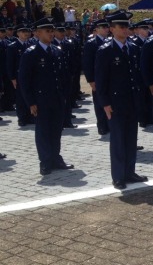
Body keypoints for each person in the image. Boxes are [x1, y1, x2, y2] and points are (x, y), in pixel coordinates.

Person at [95, 10, 147, 190]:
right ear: (112, 29)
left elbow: (136, 76)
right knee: (118, 140)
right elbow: (101, 80)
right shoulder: (105, 50)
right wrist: (105, 104)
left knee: (131, 139)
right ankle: (118, 176)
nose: (126, 30)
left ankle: (130, 172)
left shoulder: (132, 48)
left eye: (127, 27)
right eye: (122, 26)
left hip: (131, 101)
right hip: (115, 103)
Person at [19, 17, 74, 176]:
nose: (51, 34)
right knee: (43, 131)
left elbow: (63, 75)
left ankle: (56, 158)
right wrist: (31, 102)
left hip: (57, 98)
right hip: (41, 100)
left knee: (56, 130)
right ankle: (45, 161)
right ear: (37, 33)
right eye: (47, 31)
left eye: (52, 31)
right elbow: (25, 80)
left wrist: (65, 96)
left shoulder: (57, 50)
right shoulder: (31, 53)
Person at [83, 19, 111, 135]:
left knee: (109, 102)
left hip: (109, 78)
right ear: (97, 29)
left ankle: (110, 124)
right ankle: (102, 126)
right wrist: (90, 80)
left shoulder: (110, 42)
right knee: (99, 103)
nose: (105, 29)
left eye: (106, 27)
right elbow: (87, 63)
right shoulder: (91, 43)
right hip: (97, 78)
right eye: (102, 27)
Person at [7, 23, 33, 126]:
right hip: (18, 76)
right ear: (18, 33)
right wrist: (12, 78)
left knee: (29, 96)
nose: (26, 33)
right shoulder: (13, 46)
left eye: (27, 31)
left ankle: (30, 116)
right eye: (23, 32)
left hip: (29, 76)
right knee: (20, 98)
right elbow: (10, 64)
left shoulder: (30, 46)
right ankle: (22, 118)